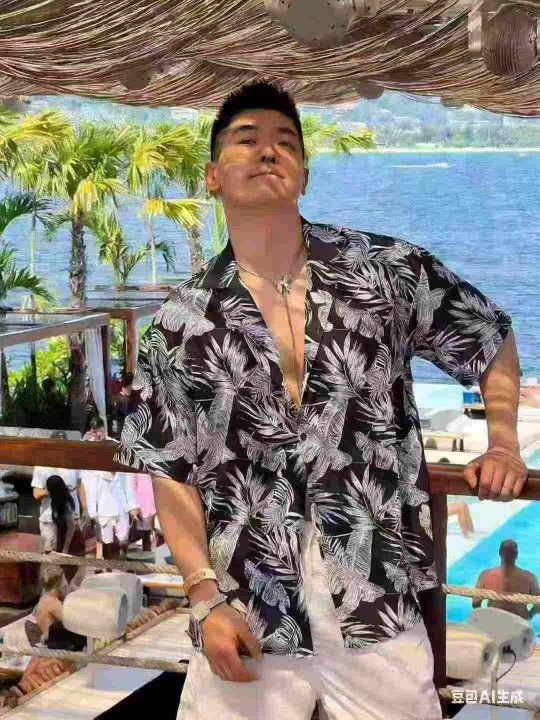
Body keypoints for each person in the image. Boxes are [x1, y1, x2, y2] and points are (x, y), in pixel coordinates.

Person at [115, 81, 527, 720]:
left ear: (304, 176)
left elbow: (488, 337)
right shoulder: (179, 323)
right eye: (247, 140)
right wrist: (204, 599)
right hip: (248, 606)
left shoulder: (384, 272)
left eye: (286, 143)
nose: (269, 152)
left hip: (376, 598)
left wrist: (503, 442)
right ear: (213, 176)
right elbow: (171, 473)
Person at [32, 431, 86, 555]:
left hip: (72, 516)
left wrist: (86, 510)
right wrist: (57, 492)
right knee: (50, 554)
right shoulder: (42, 466)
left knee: (71, 553)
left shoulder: (73, 463)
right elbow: (36, 494)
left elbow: (80, 485)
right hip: (50, 518)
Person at [472, 540, 540, 621]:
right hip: (519, 622)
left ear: (500, 553)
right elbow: (538, 605)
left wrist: (484, 617)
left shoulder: (485, 575)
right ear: (516, 554)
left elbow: (475, 603)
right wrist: (529, 615)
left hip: (494, 620)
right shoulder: (529, 578)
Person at [82, 469, 139, 560]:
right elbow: (91, 492)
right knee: (106, 543)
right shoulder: (96, 471)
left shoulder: (124, 470)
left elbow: (129, 488)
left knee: (123, 542)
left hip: (122, 509)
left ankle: (123, 563)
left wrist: (133, 507)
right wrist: (92, 512)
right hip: (104, 511)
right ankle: (109, 565)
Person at [124, 472, 156, 552]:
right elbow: (130, 486)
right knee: (146, 536)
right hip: (143, 507)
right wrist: (133, 506)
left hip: (160, 505)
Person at [45, 475, 77, 554]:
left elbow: (72, 525)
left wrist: (65, 549)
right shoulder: (62, 498)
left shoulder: (66, 501)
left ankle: (63, 549)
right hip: (58, 524)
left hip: (62, 524)